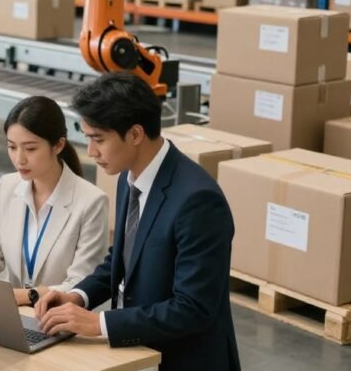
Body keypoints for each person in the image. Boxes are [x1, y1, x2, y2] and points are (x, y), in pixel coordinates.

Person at [35, 72, 240, 371]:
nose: (91, 152)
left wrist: (100, 324)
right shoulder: (127, 177)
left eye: (98, 140)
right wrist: (77, 296)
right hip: (139, 353)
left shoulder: (198, 201)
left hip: (185, 360)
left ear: (135, 134)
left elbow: (193, 308)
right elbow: (123, 260)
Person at [0, 96, 108, 307]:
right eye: (12, 147)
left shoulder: (91, 201)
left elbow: (81, 282)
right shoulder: (8, 186)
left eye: (30, 149)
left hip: (57, 319)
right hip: (10, 315)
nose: (19, 159)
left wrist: (25, 296)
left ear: (58, 145)